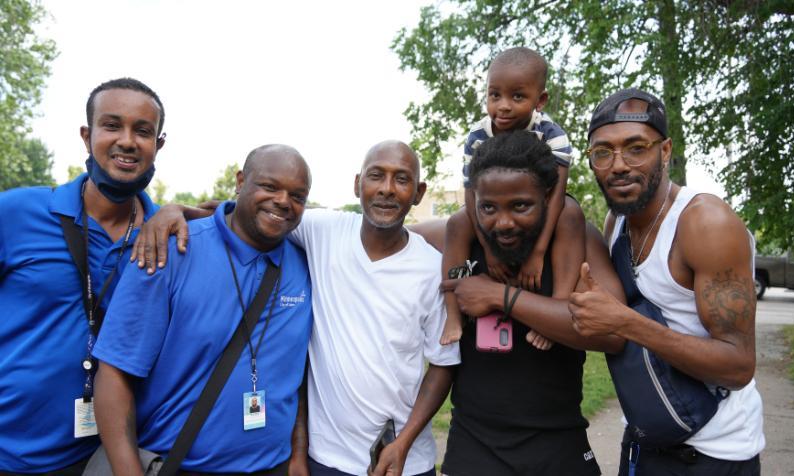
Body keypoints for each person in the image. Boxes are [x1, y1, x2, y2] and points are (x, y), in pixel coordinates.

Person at [133, 140, 460, 476]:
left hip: (405, 460)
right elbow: (252, 213)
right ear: (357, 184)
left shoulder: (431, 268)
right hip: (326, 457)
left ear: (419, 192)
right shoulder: (323, 231)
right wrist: (174, 211)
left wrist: (404, 442)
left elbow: (443, 363)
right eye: (376, 175)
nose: (387, 189)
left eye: (402, 179)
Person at [569, 88, 764, 474]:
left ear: (665, 150)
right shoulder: (617, 222)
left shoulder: (705, 223)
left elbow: (738, 367)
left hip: (712, 454)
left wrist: (624, 322)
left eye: (636, 148)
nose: (618, 165)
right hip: (644, 442)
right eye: (603, 153)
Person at [92, 145, 313, 475]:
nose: (283, 201)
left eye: (297, 195)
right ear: (241, 181)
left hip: (274, 466)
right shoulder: (169, 249)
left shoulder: (305, 264)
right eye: (269, 186)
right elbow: (114, 372)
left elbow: (297, 373)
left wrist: (297, 454)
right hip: (176, 465)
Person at [0, 78, 166, 474]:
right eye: (112, 125)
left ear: (158, 144)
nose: (127, 141)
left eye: (142, 131)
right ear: (87, 135)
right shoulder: (16, 213)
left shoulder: (164, 237)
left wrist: (178, 212)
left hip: (97, 458)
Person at [439, 130, 624, 475]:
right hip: (474, 447)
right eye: (488, 207)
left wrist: (500, 296)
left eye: (521, 206)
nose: (503, 223)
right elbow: (399, 237)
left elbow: (615, 335)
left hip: (559, 444)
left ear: (548, 197)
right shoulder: (463, 235)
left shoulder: (578, 239)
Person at [440, 46, 583, 345]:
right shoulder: (478, 135)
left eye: (517, 97)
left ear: (540, 100)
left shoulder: (552, 134)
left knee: (570, 212)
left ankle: (558, 306)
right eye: (495, 95)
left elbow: (557, 194)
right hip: (488, 207)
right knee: (456, 223)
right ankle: (452, 313)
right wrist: (488, 249)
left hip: (539, 206)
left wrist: (538, 253)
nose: (503, 106)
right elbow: (470, 194)